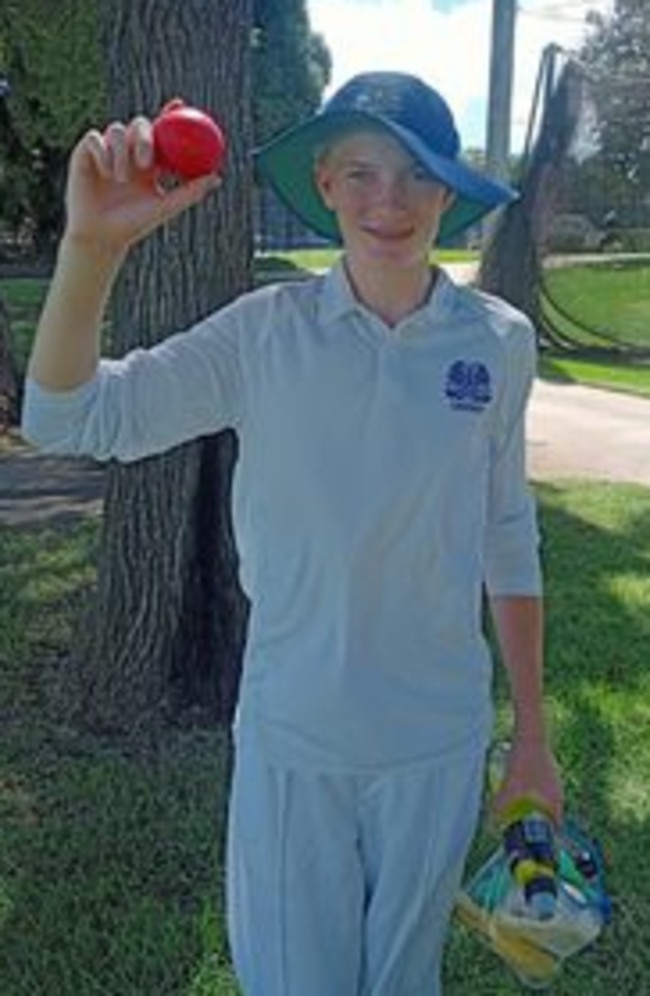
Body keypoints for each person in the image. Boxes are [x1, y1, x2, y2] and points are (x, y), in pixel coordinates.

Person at [21, 71, 563, 996]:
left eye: (414, 175)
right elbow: (70, 420)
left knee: (402, 982)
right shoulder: (264, 337)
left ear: (446, 193)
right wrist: (90, 248)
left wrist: (533, 737)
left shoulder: (496, 341)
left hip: (436, 740)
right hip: (297, 738)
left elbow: (506, 534)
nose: (386, 200)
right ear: (323, 184)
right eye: (359, 172)